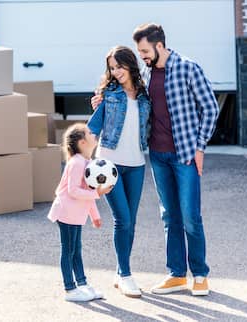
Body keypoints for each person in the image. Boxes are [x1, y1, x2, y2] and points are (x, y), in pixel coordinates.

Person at [92, 23, 219, 296]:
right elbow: (130, 106)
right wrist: (101, 102)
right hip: (158, 156)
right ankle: (176, 274)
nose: (143, 56)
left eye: (145, 50)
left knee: (190, 217)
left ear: (159, 45)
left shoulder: (188, 68)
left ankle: (199, 274)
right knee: (169, 216)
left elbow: (210, 108)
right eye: (140, 52)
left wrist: (200, 148)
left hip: (184, 154)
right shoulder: (147, 73)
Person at [87, 46, 151, 298]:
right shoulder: (108, 94)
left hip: (136, 164)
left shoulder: (144, 95)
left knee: (130, 221)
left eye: (119, 67)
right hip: (108, 166)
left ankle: (120, 271)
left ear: (130, 65)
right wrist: (79, 162)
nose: (115, 72)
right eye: (112, 68)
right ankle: (125, 275)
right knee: (122, 219)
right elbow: (93, 127)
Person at [47, 123, 112, 302]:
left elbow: (86, 193)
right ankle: (70, 289)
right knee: (68, 250)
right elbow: (74, 190)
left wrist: (95, 216)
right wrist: (97, 193)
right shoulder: (76, 162)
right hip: (66, 213)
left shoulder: (88, 163)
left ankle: (82, 285)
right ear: (82, 142)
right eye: (90, 133)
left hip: (75, 215)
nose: (94, 134)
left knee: (76, 250)